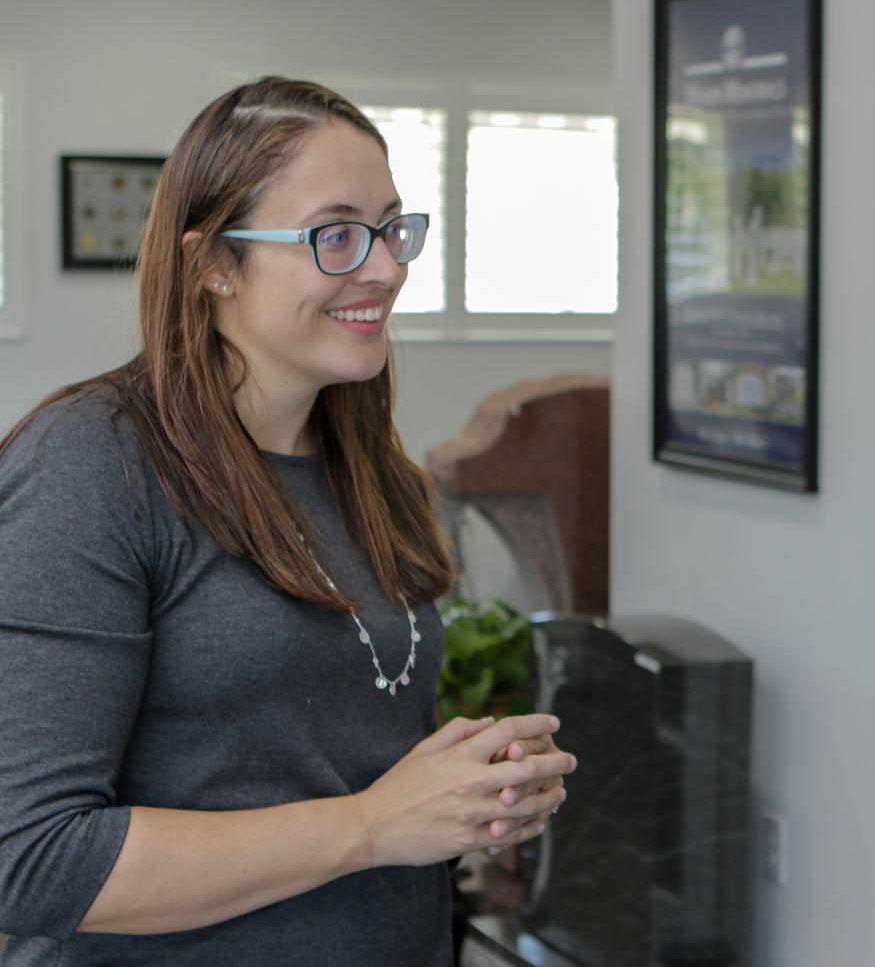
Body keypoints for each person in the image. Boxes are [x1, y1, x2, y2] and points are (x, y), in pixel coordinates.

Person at [0, 78, 576, 966]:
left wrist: (456, 802)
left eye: (391, 228)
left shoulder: (370, 465)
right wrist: (372, 825)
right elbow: (32, 861)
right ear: (214, 266)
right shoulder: (92, 466)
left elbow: (311, 769)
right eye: (335, 235)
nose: (385, 268)